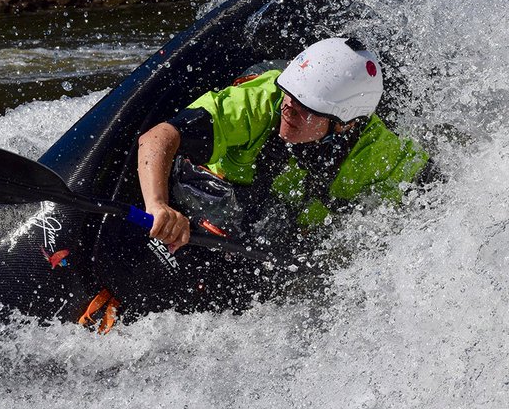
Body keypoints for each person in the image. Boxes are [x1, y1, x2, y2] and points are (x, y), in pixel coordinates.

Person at [136, 37, 430, 253]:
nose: (289, 109)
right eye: (289, 95)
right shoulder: (261, 102)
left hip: (282, 236)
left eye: (306, 107)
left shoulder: (378, 152)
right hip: (208, 204)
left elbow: (432, 197)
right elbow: (158, 138)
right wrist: (158, 205)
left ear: (344, 124)